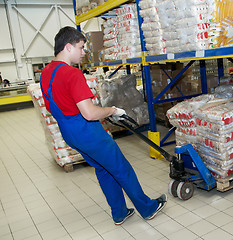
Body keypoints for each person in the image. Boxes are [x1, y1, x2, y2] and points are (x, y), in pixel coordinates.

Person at [40, 26, 167, 225]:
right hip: (86, 131)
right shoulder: (72, 74)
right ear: (68, 47)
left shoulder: (47, 72)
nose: (84, 53)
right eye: (81, 48)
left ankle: (119, 212)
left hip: (68, 132)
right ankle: (147, 207)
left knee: (102, 169)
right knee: (121, 168)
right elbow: (89, 113)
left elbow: (59, 104)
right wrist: (112, 110)